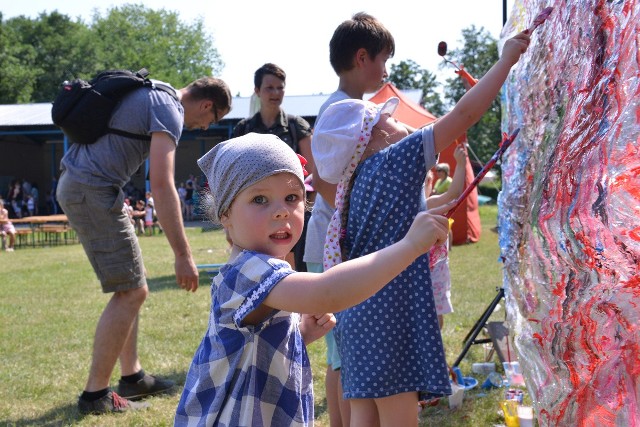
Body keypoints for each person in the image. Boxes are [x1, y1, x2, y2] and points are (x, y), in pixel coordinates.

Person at [312, 29, 531, 426]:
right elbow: (464, 115)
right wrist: (505, 62)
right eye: (390, 120)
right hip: (390, 314)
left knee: (365, 412)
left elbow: (401, 218)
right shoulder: (398, 157)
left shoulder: (355, 181)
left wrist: (439, 206)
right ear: (374, 135)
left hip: (357, 314)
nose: (399, 123)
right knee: (399, 415)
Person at [174, 133, 450, 426]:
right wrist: (409, 246)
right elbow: (326, 291)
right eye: (260, 199)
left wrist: (298, 335)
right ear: (225, 213)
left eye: (291, 197)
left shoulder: (265, 271)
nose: (281, 211)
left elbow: (251, 350)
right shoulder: (246, 271)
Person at [56, 75, 232, 415]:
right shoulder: (170, 109)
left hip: (88, 185)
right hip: (91, 189)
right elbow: (163, 184)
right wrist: (183, 254)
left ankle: (133, 376)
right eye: (207, 121)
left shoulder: (155, 90)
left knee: (132, 284)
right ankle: (96, 396)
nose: (199, 126)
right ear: (207, 104)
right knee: (132, 292)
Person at [303, 12, 396, 426]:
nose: (386, 70)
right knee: (346, 360)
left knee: (340, 354)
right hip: (334, 247)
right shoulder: (345, 111)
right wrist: (358, 221)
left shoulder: (340, 107)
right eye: (384, 59)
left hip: (330, 246)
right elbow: (325, 182)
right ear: (362, 58)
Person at [232, 63, 314, 272]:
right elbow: (232, 175)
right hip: (256, 212)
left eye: (280, 87)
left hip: (293, 212)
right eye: (270, 87)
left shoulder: (297, 126)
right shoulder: (244, 129)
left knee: (295, 274)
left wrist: (303, 208)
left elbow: (313, 173)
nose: (276, 93)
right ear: (257, 91)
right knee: (257, 271)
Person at [424, 144, 468, 329]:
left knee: (435, 309)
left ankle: (433, 342)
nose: (430, 185)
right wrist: (460, 165)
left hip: (435, 269)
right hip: (425, 270)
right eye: (428, 181)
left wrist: (461, 165)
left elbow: (453, 193)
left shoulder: (427, 204)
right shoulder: (424, 204)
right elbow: (453, 194)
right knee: (432, 309)